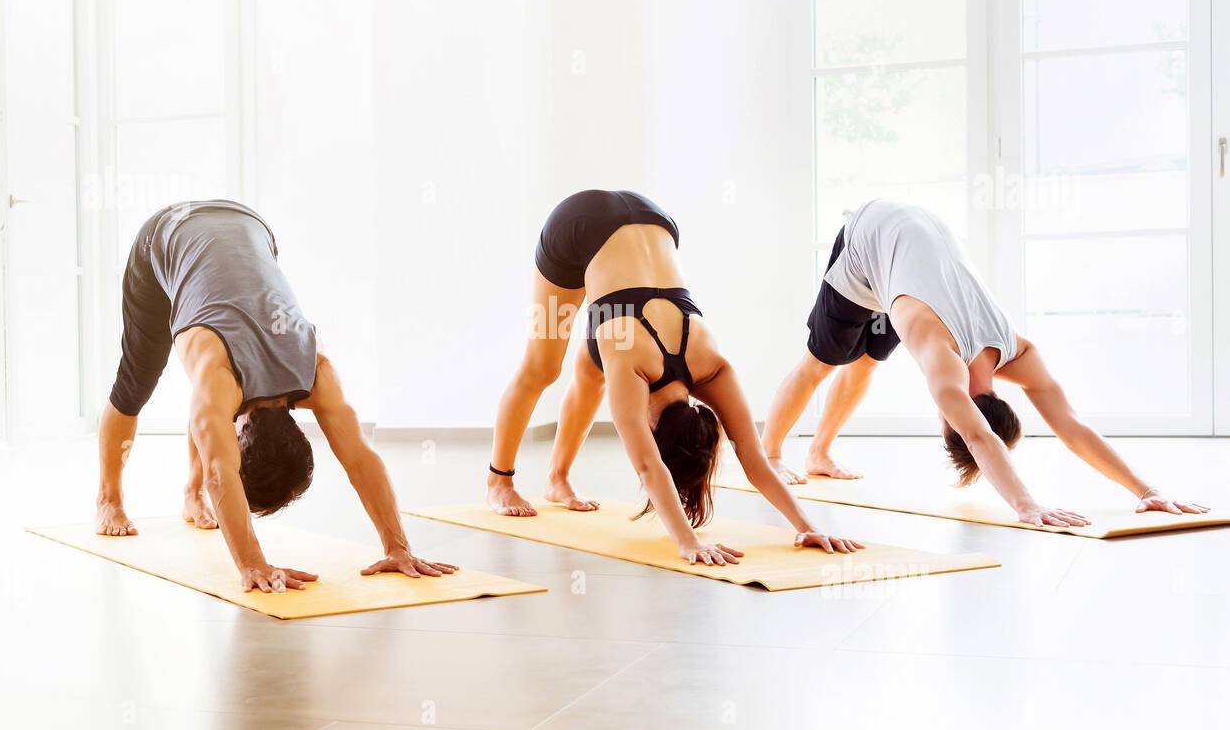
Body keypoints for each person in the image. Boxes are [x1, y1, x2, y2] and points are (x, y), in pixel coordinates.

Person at [762, 198, 1208, 528]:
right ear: (950, 419)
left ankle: (818, 453)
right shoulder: (943, 361)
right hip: (867, 239)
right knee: (822, 363)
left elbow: (1072, 428)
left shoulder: (1016, 351)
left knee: (867, 363)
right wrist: (1026, 504)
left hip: (915, 239)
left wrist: (1147, 490)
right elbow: (977, 434)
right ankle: (773, 453)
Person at [95, 199, 458, 592]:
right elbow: (221, 470)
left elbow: (360, 459)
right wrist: (252, 563)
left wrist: (398, 548)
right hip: (165, 235)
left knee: (209, 403)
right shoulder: (235, 378)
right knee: (136, 383)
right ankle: (108, 499)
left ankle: (190, 494)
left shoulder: (312, 373)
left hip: (250, 225)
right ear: (240, 439)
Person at [486, 189, 863, 564]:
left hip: (654, 218)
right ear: (655, 431)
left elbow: (755, 459)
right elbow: (651, 466)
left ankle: (557, 480)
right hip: (575, 227)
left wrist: (806, 524)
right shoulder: (635, 366)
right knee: (542, 369)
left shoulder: (712, 364)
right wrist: (687, 542)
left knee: (591, 370)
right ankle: (498, 482)